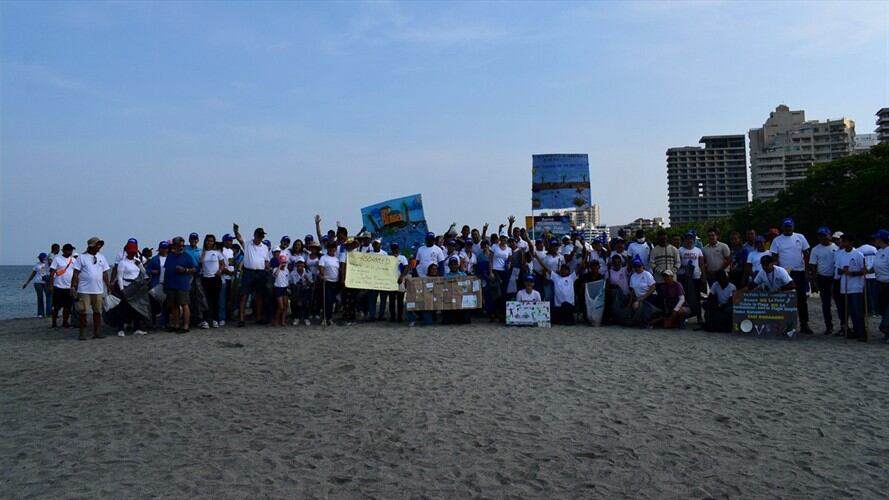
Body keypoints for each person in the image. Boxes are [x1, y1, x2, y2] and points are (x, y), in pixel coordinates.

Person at [770, 218, 813, 334]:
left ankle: (804, 324)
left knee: (801, 299)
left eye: (790, 226)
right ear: (782, 227)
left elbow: (806, 253)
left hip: (799, 271)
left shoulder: (800, 237)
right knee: (784, 298)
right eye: (786, 226)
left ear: (793, 227)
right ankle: (783, 323)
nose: (788, 229)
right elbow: (774, 257)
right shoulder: (777, 240)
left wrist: (807, 270)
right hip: (784, 272)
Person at [71, 237, 112, 340]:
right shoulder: (81, 257)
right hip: (84, 290)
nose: (99, 247)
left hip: (98, 289)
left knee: (98, 312)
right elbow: (76, 273)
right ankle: (81, 334)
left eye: (99, 245)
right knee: (83, 312)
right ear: (91, 246)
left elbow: (105, 273)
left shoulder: (102, 257)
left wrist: (108, 285)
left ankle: (97, 333)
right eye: (97, 245)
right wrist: (73, 286)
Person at [235, 225, 270, 327]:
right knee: (244, 295)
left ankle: (258, 318)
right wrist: (236, 230)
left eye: (262, 236)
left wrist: (267, 268)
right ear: (254, 235)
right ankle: (242, 319)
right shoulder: (247, 244)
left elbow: (266, 260)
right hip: (248, 272)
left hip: (260, 273)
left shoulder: (265, 247)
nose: (260, 238)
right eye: (259, 236)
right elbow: (239, 238)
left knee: (259, 296)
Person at [835, 233, 867, 341]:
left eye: (844, 241)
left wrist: (851, 273)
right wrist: (843, 270)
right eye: (842, 241)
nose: (842, 243)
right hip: (845, 286)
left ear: (850, 242)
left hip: (856, 287)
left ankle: (862, 332)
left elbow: (864, 270)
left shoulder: (858, 254)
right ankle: (856, 331)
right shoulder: (840, 254)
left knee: (857, 310)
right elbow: (838, 270)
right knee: (850, 311)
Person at [164, 236, 198, 334]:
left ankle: (186, 326)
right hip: (171, 284)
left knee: (184, 304)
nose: (181, 247)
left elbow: (196, 269)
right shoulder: (170, 256)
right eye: (179, 245)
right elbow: (166, 270)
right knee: (173, 305)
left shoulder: (187, 256)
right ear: (174, 246)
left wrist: (185, 270)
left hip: (182, 284)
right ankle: (176, 325)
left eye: (183, 245)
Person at [808, 227, 839, 334]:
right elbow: (813, 266)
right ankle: (829, 326)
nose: (823, 238)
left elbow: (838, 264)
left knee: (840, 303)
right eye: (820, 236)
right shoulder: (815, 249)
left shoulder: (836, 248)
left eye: (825, 235)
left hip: (835, 277)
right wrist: (814, 281)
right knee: (826, 304)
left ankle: (844, 326)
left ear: (830, 236)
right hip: (822, 278)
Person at [114, 241, 148, 336]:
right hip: (126, 286)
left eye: (134, 251)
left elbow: (144, 273)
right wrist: (122, 289)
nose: (133, 253)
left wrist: (140, 265)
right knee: (124, 308)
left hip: (136, 286)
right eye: (131, 251)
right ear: (127, 251)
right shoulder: (122, 263)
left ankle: (136, 328)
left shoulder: (137, 261)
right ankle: (120, 329)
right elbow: (120, 277)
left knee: (137, 308)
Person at [198, 234, 226, 329]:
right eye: (208, 240)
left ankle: (215, 320)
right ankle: (205, 320)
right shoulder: (202, 253)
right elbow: (200, 266)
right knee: (205, 300)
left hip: (215, 278)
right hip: (205, 278)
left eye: (211, 241)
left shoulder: (217, 253)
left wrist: (220, 271)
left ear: (214, 242)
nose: (209, 242)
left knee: (215, 300)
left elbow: (222, 264)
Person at [48, 243, 76, 328]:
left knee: (67, 307)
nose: (70, 252)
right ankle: (54, 322)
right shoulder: (57, 259)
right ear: (63, 251)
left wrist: (74, 285)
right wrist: (51, 285)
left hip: (69, 287)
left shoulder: (74, 260)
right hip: (58, 286)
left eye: (71, 250)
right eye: (68, 250)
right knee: (56, 306)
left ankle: (65, 322)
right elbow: (52, 272)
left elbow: (76, 273)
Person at [678, 232, 704, 323]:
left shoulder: (698, 250)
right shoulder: (680, 250)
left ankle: (699, 316)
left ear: (694, 240)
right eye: (687, 238)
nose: (689, 240)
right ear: (684, 240)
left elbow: (701, 264)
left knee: (697, 298)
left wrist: (703, 276)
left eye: (691, 239)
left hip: (695, 277)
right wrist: (685, 267)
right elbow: (678, 263)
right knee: (685, 297)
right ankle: (685, 316)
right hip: (684, 277)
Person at [628, 255, 658, 326]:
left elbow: (653, 287)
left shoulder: (647, 274)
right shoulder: (633, 276)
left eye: (639, 266)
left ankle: (646, 321)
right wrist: (631, 301)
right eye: (635, 266)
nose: (637, 268)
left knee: (637, 305)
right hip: (639, 298)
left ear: (642, 266)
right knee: (634, 305)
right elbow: (632, 290)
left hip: (650, 296)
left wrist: (643, 298)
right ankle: (642, 321)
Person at [649, 230, 680, 298]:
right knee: (662, 300)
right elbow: (652, 264)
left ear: (667, 238)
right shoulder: (654, 250)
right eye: (661, 239)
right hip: (660, 279)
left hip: (672, 279)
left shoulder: (673, 249)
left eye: (665, 238)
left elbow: (678, 263)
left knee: (673, 299)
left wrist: (670, 273)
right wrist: (662, 272)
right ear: (658, 238)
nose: (663, 240)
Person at [146, 241, 169, 328]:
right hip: (156, 284)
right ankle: (154, 322)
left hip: (166, 284)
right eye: (163, 248)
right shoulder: (155, 259)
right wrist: (154, 271)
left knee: (166, 304)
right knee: (154, 305)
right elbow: (147, 270)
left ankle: (165, 322)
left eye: (166, 248)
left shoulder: (170, 258)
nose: (164, 250)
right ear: (159, 249)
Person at [872, 229, 889, 341]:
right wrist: (866, 271)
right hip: (879, 282)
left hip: (888, 283)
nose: (874, 240)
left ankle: (886, 329)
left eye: (876, 238)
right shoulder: (879, 252)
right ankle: (886, 331)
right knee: (882, 308)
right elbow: (875, 267)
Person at [22, 252, 51, 317]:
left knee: (48, 297)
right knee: (40, 297)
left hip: (46, 282)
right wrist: (26, 283)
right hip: (38, 282)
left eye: (42, 258)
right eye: (40, 258)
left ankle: (48, 313)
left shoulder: (49, 265)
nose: (41, 259)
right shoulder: (37, 265)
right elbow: (33, 274)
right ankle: (40, 313)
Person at [319, 241, 341, 326]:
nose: (332, 249)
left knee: (332, 301)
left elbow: (338, 270)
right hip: (327, 281)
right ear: (327, 248)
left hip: (335, 282)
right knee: (327, 301)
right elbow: (321, 267)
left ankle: (330, 318)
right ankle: (324, 318)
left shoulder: (336, 259)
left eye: (333, 247)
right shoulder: (324, 258)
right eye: (330, 247)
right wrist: (322, 274)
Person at [856, 236, 878, 316]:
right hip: (874, 274)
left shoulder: (858, 250)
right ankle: (874, 310)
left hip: (864, 275)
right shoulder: (874, 249)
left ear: (860, 241)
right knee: (873, 294)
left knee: (866, 294)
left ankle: (868, 310)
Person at [388, 242, 408, 323]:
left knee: (400, 300)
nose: (395, 250)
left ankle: (399, 316)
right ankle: (392, 317)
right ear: (391, 249)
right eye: (393, 248)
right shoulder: (388, 258)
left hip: (400, 281)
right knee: (391, 301)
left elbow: (406, 268)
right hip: (391, 282)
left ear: (398, 249)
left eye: (396, 248)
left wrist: (401, 277)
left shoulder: (402, 258)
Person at [289, 259, 313, 326]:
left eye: (301, 263)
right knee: (297, 304)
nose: (300, 265)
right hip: (297, 290)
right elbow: (291, 283)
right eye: (298, 263)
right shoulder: (292, 273)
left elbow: (311, 284)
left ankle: (306, 318)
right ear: (296, 265)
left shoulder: (308, 272)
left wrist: (306, 278)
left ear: (304, 264)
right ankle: (297, 318)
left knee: (306, 304)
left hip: (306, 290)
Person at [272, 254, 290, 327]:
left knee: (285, 306)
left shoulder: (287, 270)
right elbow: (275, 275)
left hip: (285, 288)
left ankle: (283, 321)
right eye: (282, 262)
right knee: (281, 306)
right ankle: (276, 321)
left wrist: (289, 287)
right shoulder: (275, 269)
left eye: (285, 262)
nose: (284, 264)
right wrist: (279, 267)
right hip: (278, 288)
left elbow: (287, 279)